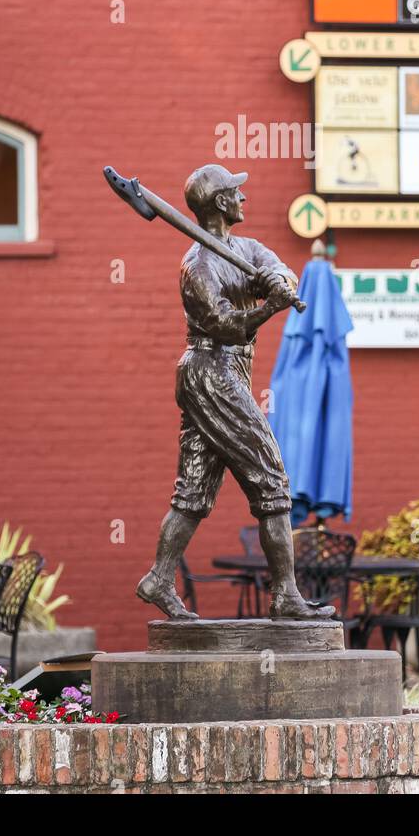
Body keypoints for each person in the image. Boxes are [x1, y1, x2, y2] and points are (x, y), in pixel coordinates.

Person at [136, 164, 334, 621]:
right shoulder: (197, 266)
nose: (244, 199)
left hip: (227, 374)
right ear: (221, 202)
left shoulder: (245, 247)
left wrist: (278, 284)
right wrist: (268, 309)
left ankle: (159, 579)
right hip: (211, 371)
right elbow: (225, 326)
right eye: (236, 193)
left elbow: (280, 268)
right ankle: (285, 595)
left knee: (194, 491)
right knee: (271, 479)